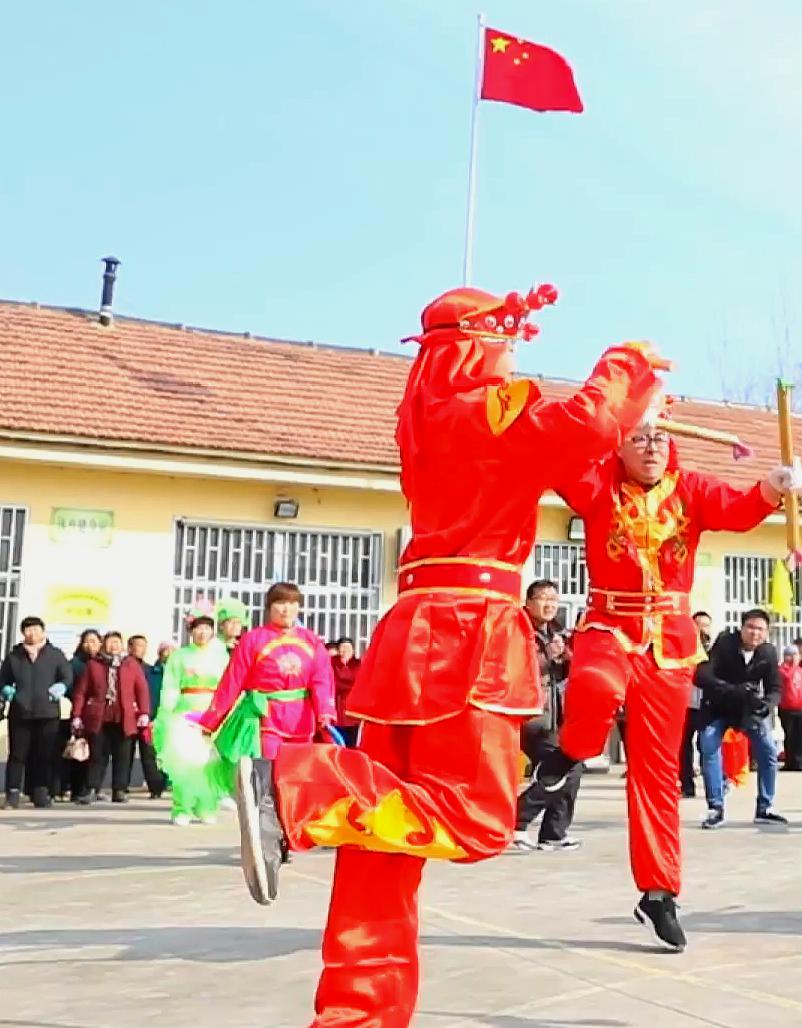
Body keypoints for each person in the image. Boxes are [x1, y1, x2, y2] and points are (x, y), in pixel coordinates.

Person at [226, 285, 664, 1027]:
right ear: (481, 339)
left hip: (414, 624)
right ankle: (294, 782)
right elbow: (585, 422)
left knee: (381, 855)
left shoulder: (426, 411)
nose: (517, 352)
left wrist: (624, 421)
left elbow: (563, 451)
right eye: (509, 338)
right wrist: (632, 366)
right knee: (479, 817)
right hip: (470, 629)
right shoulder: (488, 408)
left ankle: (355, 1016)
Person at [525, 411, 797, 952]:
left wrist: (772, 486)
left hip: (669, 646)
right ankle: (567, 753)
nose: (650, 447)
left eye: (659, 437)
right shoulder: (599, 481)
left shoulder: (690, 488)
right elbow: (553, 461)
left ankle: (658, 891)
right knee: (598, 689)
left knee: (657, 775)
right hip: (609, 626)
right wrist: (600, 422)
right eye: (638, 438)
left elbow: (739, 511)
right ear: (619, 446)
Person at [199, 582, 337, 820]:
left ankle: (290, 829)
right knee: (268, 779)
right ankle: (267, 833)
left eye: (293, 603)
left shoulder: (312, 642)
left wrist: (325, 711)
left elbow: (322, 680)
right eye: (280, 603)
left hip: (302, 720)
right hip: (265, 719)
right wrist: (210, 721)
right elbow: (232, 682)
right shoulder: (253, 640)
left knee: (297, 779)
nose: (286, 609)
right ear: (269, 607)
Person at [694, 608, 787, 831]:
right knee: (708, 746)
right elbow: (702, 675)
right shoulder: (725, 643)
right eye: (751, 628)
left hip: (749, 710)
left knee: (768, 752)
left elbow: (776, 687)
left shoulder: (768, 653)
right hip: (718, 707)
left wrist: (768, 704)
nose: (755, 633)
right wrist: (731, 689)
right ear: (742, 628)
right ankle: (715, 808)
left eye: (760, 629)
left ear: (767, 633)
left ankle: (765, 807)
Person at [515, 580, 583, 853]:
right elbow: (519, 666)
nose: (550, 604)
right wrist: (547, 656)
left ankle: (553, 833)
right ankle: (516, 821)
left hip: (554, 714)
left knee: (571, 767)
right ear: (529, 602)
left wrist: (565, 657)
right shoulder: (518, 630)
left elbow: (563, 672)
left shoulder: (554, 632)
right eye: (543, 598)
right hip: (529, 713)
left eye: (554, 599)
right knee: (565, 765)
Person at [156, 613, 231, 825]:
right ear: (190, 631)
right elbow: (170, 685)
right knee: (184, 761)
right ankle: (182, 808)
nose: (202, 633)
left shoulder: (221, 656)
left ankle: (207, 806)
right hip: (185, 713)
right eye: (198, 628)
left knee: (209, 763)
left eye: (207, 628)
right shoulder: (179, 656)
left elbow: (228, 685)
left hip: (213, 714)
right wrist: (166, 711)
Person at [0, 616, 73, 809]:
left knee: (44, 755)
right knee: (17, 755)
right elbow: (2, 680)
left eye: (36, 629)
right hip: (20, 712)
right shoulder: (14, 656)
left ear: (43, 632)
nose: (32, 633)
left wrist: (62, 687)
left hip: (47, 713)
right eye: (28, 630)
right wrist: (7, 690)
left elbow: (67, 675)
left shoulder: (55, 654)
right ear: (23, 633)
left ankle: (40, 792)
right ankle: (13, 793)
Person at [71, 631, 151, 804]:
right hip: (99, 716)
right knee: (97, 755)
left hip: (125, 716)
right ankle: (93, 788)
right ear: (103, 645)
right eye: (109, 642)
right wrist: (77, 715)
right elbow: (81, 692)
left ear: (121, 645)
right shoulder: (94, 665)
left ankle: (119, 790)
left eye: (116, 642)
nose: (113, 646)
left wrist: (144, 712)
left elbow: (142, 689)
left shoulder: (130, 664)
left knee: (122, 756)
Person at [57, 628, 103, 801]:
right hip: (80, 711)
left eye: (93, 641)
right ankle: (73, 788)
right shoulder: (75, 663)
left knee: (96, 752)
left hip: (99, 714)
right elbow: (69, 687)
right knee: (77, 751)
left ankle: (91, 788)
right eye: (86, 641)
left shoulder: (104, 663)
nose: (89, 645)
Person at [679, 610, 712, 797]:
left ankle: (713, 784)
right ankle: (686, 785)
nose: (702, 629)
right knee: (683, 746)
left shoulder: (714, 649)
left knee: (707, 744)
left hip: (706, 703)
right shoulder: (684, 647)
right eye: (698, 625)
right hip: (686, 702)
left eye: (705, 625)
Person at [130, 634, 167, 800]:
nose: (140, 648)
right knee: (137, 753)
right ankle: (123, 786)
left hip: (158, 717)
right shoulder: (147, 671)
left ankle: (159, 785)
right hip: (138, 716)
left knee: (155, 753)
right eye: (137, 645)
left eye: (143, 645)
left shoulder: (152, 670)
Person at [777, 645, 802, 772]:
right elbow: (783, 683)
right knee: (790, 736)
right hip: (787, 708)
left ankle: (800, 762)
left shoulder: (801, 670)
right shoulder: (782, 670)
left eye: (796, 655)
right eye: (791, 655)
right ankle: (790, 762)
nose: (794, 658)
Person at [330, 638, 362, 747]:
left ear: (353, 650)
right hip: (337, 709)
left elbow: (360, 683)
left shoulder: (358, 664)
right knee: (337, 743)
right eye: (342, 647)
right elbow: (332, 683)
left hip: (353, 712)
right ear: (338, 650)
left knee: (352, 744)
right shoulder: (331, 664)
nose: (345, 650)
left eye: (348, 647)